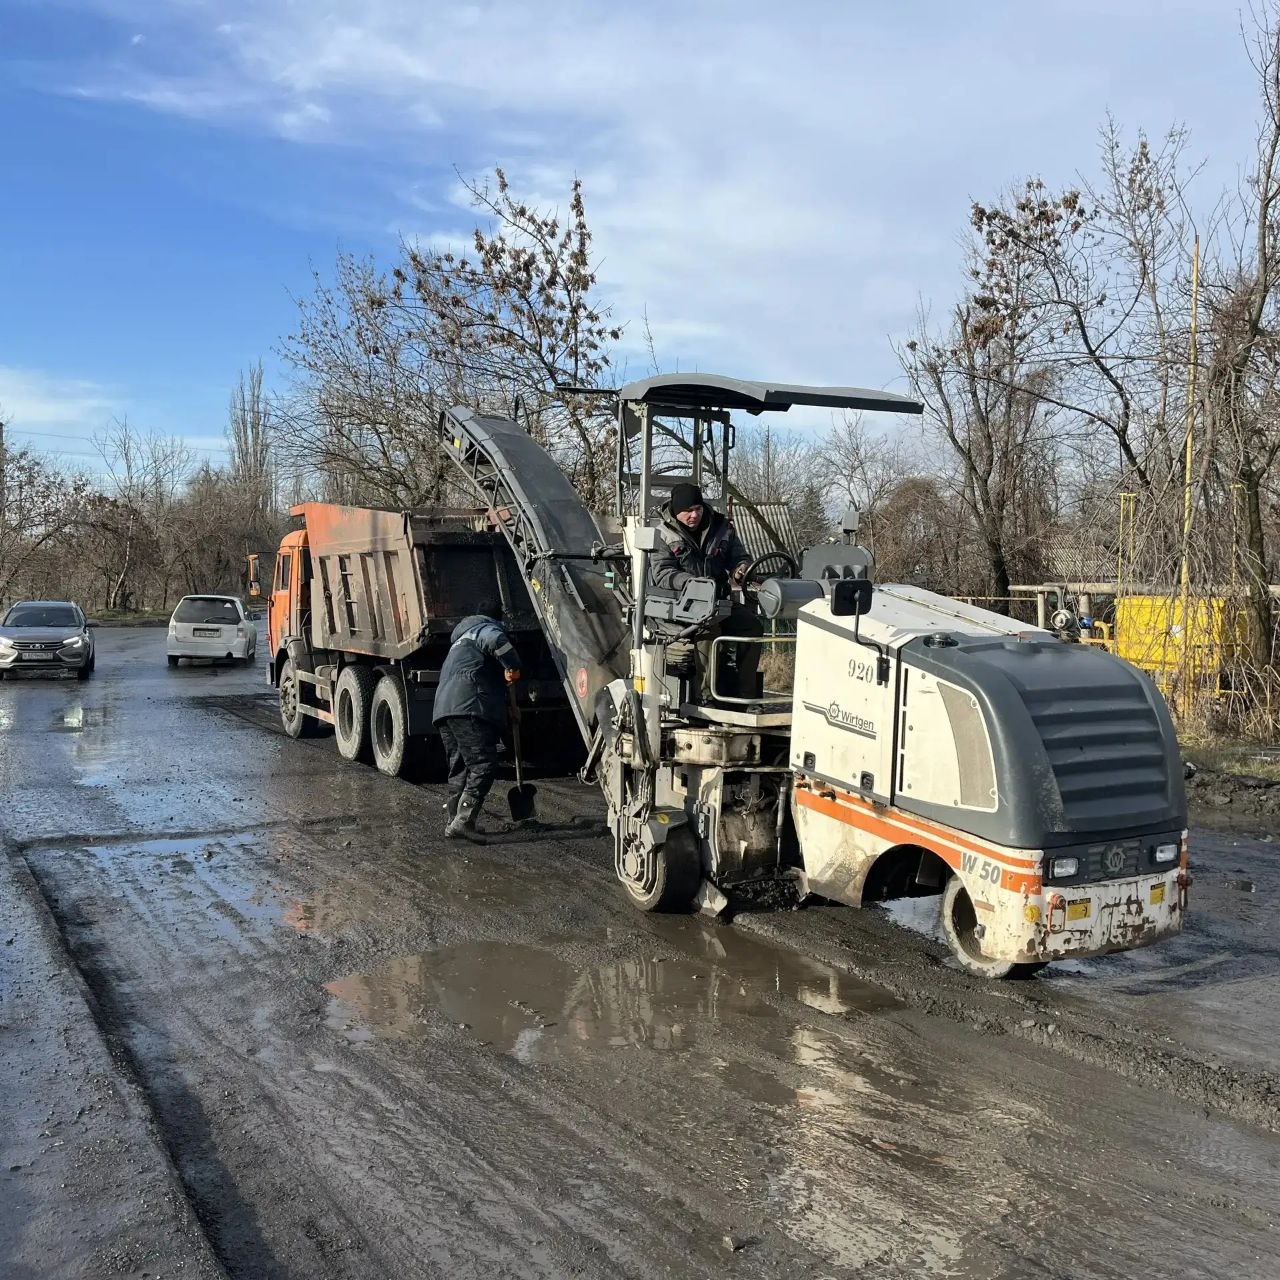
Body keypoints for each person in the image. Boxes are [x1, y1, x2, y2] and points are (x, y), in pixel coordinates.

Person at [651, 482, 764, 701]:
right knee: (709, 630)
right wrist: (695, 584)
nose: (694, 515)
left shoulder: (723, 528)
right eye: (688, 511)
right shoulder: (662, 534)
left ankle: (746, 697)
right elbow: (663, 574)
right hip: (682, 606)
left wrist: (741, 570)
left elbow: (739, 557)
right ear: (676, 510)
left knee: (751, 626)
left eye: (698, 509)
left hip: (719, 602)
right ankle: (706, 699)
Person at [432, 604, 522, 837]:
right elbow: (497, 642)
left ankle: (455, 821)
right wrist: (513, 666)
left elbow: (477, 673)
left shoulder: (459, 642)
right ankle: (464, 821)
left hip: (444, 709)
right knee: (484, 764)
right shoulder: (484, 629)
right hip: (468, 707)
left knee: (459, 766)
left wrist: (506, 707)